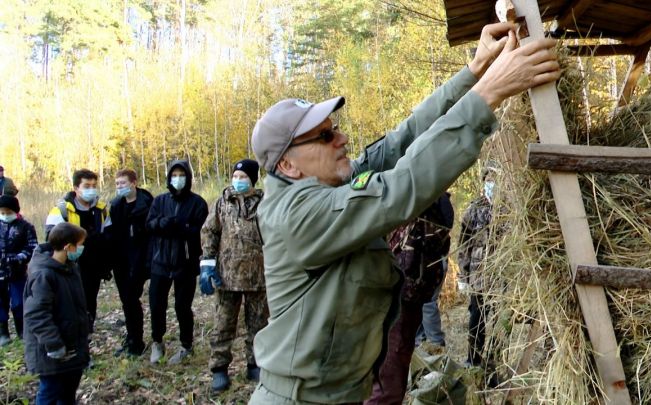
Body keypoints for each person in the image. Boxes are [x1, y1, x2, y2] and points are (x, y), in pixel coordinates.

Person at [248, 22, 560, 404]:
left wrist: (475, 71)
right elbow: (400, 189)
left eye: (336, 129)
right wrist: (490, 91)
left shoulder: (329, 186)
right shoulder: (295, 214)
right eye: (326, 136)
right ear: (289, 167)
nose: (342, 139)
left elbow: (404, 138)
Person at [365, 193, 454, 405]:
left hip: (406, 297)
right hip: (398, 297)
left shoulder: (433, 200)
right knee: (387, 378)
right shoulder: (413, 194)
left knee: (391, 375)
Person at [200, 159, 268, 391]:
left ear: (252, 179)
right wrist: (207, 264)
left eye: (243, 177)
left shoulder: (265, 203)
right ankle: (219, 369)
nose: (238, 181)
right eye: (235, 176)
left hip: (258, 276)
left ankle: (254, 364)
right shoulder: (222, 203)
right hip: (226, 277)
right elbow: (209, 232)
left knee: (258, 324)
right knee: (223, 324)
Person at [146, 160, 208, 364]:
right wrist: (161, 223)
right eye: (174, 175)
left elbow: (202, 231)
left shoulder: (197, 202)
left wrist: (184, 227)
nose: (178, 178)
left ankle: (186, 345)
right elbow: (149, 224)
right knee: (156, 304)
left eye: (182, 174)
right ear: (169, 177)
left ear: (188, 177)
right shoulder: (160, 201)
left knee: (182, 306)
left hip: (186, 263)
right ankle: (157, 341)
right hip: (160, 261)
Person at [24, 222, 90, 405]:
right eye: (80, 244)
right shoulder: (44, 274)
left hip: (72, 346)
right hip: (52, 351)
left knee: (68, 393)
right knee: (50, 392)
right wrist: (54, 344)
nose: (82, 248)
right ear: (68, 246)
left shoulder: (70, 268)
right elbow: (36, 314)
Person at [45, 169, 112, 332]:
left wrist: (106, 265)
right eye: (87, 186)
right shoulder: (61, 210)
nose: (91, 189)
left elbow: (108, 238)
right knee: (69, 302)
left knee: (90, 300)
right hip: (69, 265)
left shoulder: (102, 210)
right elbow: (51, 241)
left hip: (94, 266)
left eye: (94, 185)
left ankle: (87, 332)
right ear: (76, 188)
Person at [109, 169, 154, 357]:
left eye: (123, 183)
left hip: (141, 260)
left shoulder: (147, 203)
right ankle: (132, 338)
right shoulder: (116, 205)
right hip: (121, 260)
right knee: (127, 301)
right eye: (117, 184)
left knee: (132, 299)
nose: (120, 187)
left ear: (134, 183)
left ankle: (138, 341)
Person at [458, 165, 499, 367]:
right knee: (477, 317)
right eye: (489, 178)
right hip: (479, 275)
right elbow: (464, 245)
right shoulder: (474, 209)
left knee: (501, 320)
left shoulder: (508, 208)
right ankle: (472, 359)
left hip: (502, 276)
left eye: (495, 178)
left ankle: (495, 362)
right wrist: (463, 277)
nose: (492, 182)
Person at [0, 195, 38, 345]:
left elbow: (32, 247)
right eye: (1, 212)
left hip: (18, 272)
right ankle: (3, 332)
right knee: (1, 303)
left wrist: (17, 258)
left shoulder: (26, 227)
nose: (4, 215)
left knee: (19, 302)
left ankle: (22, 330)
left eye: (7, 212)